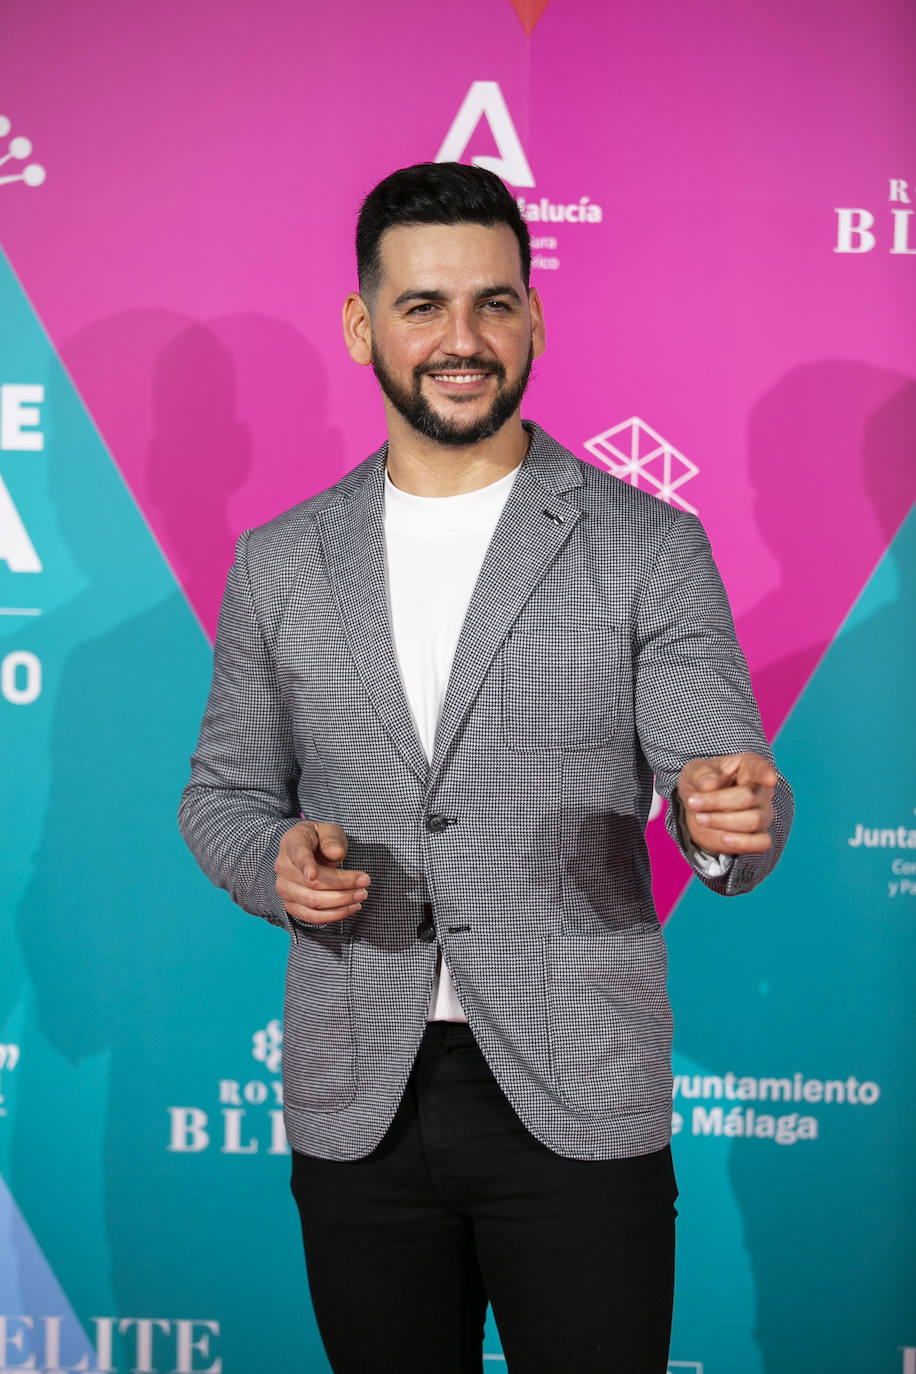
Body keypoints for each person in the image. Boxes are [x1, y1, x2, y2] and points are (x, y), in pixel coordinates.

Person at [178, 161, 793, 1374]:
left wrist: (731, 822)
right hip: (358, 1094)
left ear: (534, 318)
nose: (461, 340)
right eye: (421, 306)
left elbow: (713, 782)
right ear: (363, 326)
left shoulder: (646, 546)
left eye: (493, 304)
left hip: (580, 1091)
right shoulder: (281, 562)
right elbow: (224, 797)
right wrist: (274, 862)